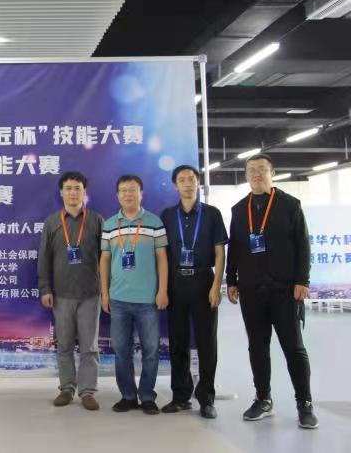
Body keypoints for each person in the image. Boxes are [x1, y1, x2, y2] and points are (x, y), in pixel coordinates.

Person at [226, 153, 318, 429]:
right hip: (251, 290)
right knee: (257, 347)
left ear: (272, 173)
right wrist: (232, 280)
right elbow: (235, 248)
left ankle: (304, 403)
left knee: (294, 347)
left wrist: (302, 280)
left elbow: (303, 245)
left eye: (261, 169)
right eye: (251, 170)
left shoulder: (290, 205)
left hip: (285, 289)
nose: (256, 174)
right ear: (246, 176)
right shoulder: (239, 209)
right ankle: (263, 398)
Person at [160, 165, 228, 419]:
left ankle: (206, 399)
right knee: (177, 342)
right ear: (175, 185)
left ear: (198, 183)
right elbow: (162, 255)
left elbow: (220, 253)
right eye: (182, 179)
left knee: (206, 343)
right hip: (176, 283)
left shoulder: (212, 214)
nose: (187, 183)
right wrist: (163, 288)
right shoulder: (167, 215)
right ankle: (180, 396)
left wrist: (216, 286)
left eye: (191, 179)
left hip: (203, 281)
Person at [100, 174, 169, 415]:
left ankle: (147, 396)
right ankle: (128, 396)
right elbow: (104, 260)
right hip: (118, 299)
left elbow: (162, 259)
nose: (128, 194)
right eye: (123, 190)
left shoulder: (154, 222)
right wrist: (105, 293)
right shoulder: (110, 224)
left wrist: (162, 291)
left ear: (141, 193)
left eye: (132, 190)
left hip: (148, 299)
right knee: (121, 352)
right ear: (117, 195)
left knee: (151, 351)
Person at [38, 171, 104, 410]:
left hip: (91, 294)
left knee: (89, 347)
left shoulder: (97, 221)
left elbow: (105, 257)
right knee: (64, 345)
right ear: (61, 192)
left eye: (77, 188)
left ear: (84, 192)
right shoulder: (52, 222)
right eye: (68, 188)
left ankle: (87, 392)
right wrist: (45, 288)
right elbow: (44, 258)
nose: (73, 192)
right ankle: (66, 388)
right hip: (61, 295)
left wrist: (106, 289)